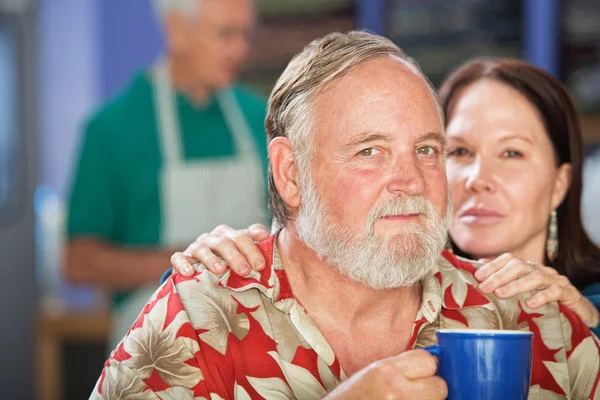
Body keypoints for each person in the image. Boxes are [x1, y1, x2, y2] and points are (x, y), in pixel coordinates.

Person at [92, 31, 600, 399]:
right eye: (369, 151)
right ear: (290, 174)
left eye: (426, 150)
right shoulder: (199, 320)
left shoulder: (528, 320)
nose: (412, 181)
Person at [170, 58, 600, 335]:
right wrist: (207, 268)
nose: (477, 178)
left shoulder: (578, 318)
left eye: (512, 153)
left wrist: (584, 329)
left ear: (561, 182)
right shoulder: (391, 279)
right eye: (457, 152)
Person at [65, 0, 269, 348]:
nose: (240, 49)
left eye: (245, 34)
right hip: (156, 345)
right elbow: (78, 261)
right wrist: (192, 263)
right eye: (225, 34)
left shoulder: (260, 117)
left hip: (254, 337)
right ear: (176, 29)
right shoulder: (113, 128)